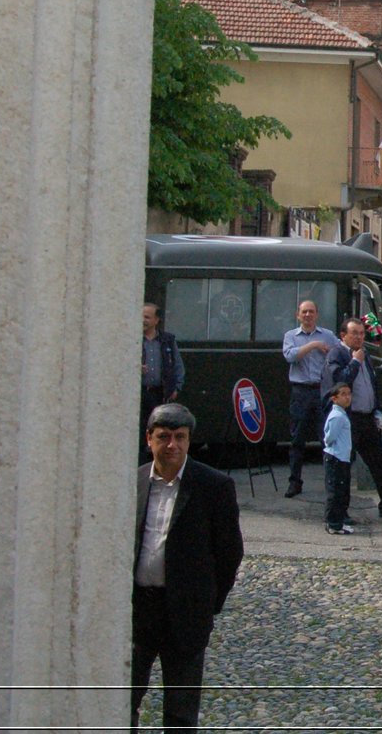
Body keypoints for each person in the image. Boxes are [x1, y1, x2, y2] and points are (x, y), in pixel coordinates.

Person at [131, 403, 243, 733]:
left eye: (180, 437)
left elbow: (229, 554)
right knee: (123, 700)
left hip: (186, 613)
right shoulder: (134, 483)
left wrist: (207, 604)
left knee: (180, 713)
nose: (172, 446)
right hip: (139, 610)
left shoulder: (213, 487)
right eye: (164, 437)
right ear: (148, 439)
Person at [326, 318, 382, 519]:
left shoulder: (363, 354)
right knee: (343, 467)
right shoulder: (337, 354)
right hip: (348, 419)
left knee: (380, 462)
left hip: (367, 417)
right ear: (343, 335)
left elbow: (370, 385)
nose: (359, 337)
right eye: (354, 333)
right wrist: (355, 361)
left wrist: (376, 412)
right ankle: (340, 512)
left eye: (361, 333)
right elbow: (340, 381)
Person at [281, 300, 342, 498]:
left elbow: (340, 352)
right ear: (298, 315)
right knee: (297, 439)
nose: (307, 315)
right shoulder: (291, 336)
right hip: (300, 392)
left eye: (311, 312)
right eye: (304, 312)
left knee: (326, 438)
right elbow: (291, 357)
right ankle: (294, 482)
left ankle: (331, 483)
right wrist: (314, 345)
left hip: (322, 391)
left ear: (316, 315)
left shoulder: (328, 335)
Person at [140, 303, 186, 463]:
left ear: (156, 320)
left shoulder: (167, 340)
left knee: (158, 428)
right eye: (141, 316)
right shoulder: (133, 338)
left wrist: (176, 387)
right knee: (140, 430)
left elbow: (177, 365)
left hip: (159, 393)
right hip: (140, 392)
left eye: (147, 317)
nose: (142, 320)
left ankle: (156, 462)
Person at [322, 382, 356, 535]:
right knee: (335, 492)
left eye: (349, 393)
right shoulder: (336, 415)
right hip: (335, 457)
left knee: (342, 492)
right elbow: (329, 437)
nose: (347, 397)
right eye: (343, 394)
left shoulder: (342, 414)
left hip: (342, 458)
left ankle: (339, 521)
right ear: (335, 398)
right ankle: (332, 523)